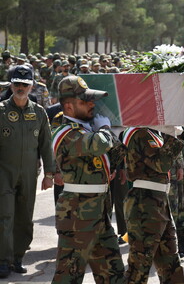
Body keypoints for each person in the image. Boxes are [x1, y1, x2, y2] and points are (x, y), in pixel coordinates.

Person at [51, 76, 125, 283]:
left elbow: (117, 157)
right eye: (85, 101)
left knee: (114, 274)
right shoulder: (64, 133)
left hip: (100, 214)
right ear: (69, 106)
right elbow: (98, 145)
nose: (92, 104)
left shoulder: (88, 130)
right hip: (77, 218)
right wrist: (106, 130)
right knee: (69, 276)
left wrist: (120, 133)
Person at [0, 65, 55, 278]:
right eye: (17, 84)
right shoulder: (1, 110)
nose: (20, 88)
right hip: (4, 173)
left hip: (30, 174)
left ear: (32, 86)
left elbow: (46, 145)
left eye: (25, 84)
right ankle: (2, 260)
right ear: (11, 85)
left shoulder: (39, 113)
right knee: (5, 216)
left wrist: (50, 174)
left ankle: (17, 257)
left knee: (24, 217)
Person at [122, 126, 184, 283]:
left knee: (170, 264)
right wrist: (172, 135)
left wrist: (175, 135)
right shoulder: (140, 133)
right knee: (139, 266)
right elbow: (161, 164)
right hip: (145, 203)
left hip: (158, 201)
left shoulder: (153, 133)